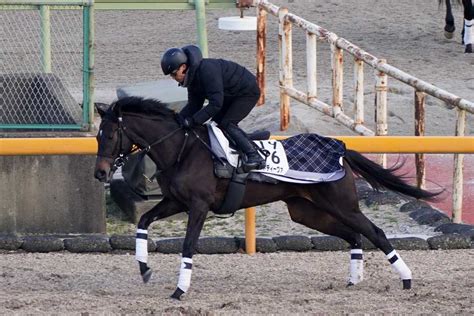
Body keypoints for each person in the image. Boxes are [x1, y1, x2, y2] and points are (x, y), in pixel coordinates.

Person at [160, 45, 266, 171]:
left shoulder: (207, 70)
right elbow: (194, 105)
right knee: (216, 125)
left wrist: (192, 121)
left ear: (183, 67)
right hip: (230, 94)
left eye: (173, 74)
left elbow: (216, 104)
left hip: (247, 92)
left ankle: (255, 156)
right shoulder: (192, 78)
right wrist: (178, 119)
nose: (173, 78)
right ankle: (243, 141)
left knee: (227, 123)